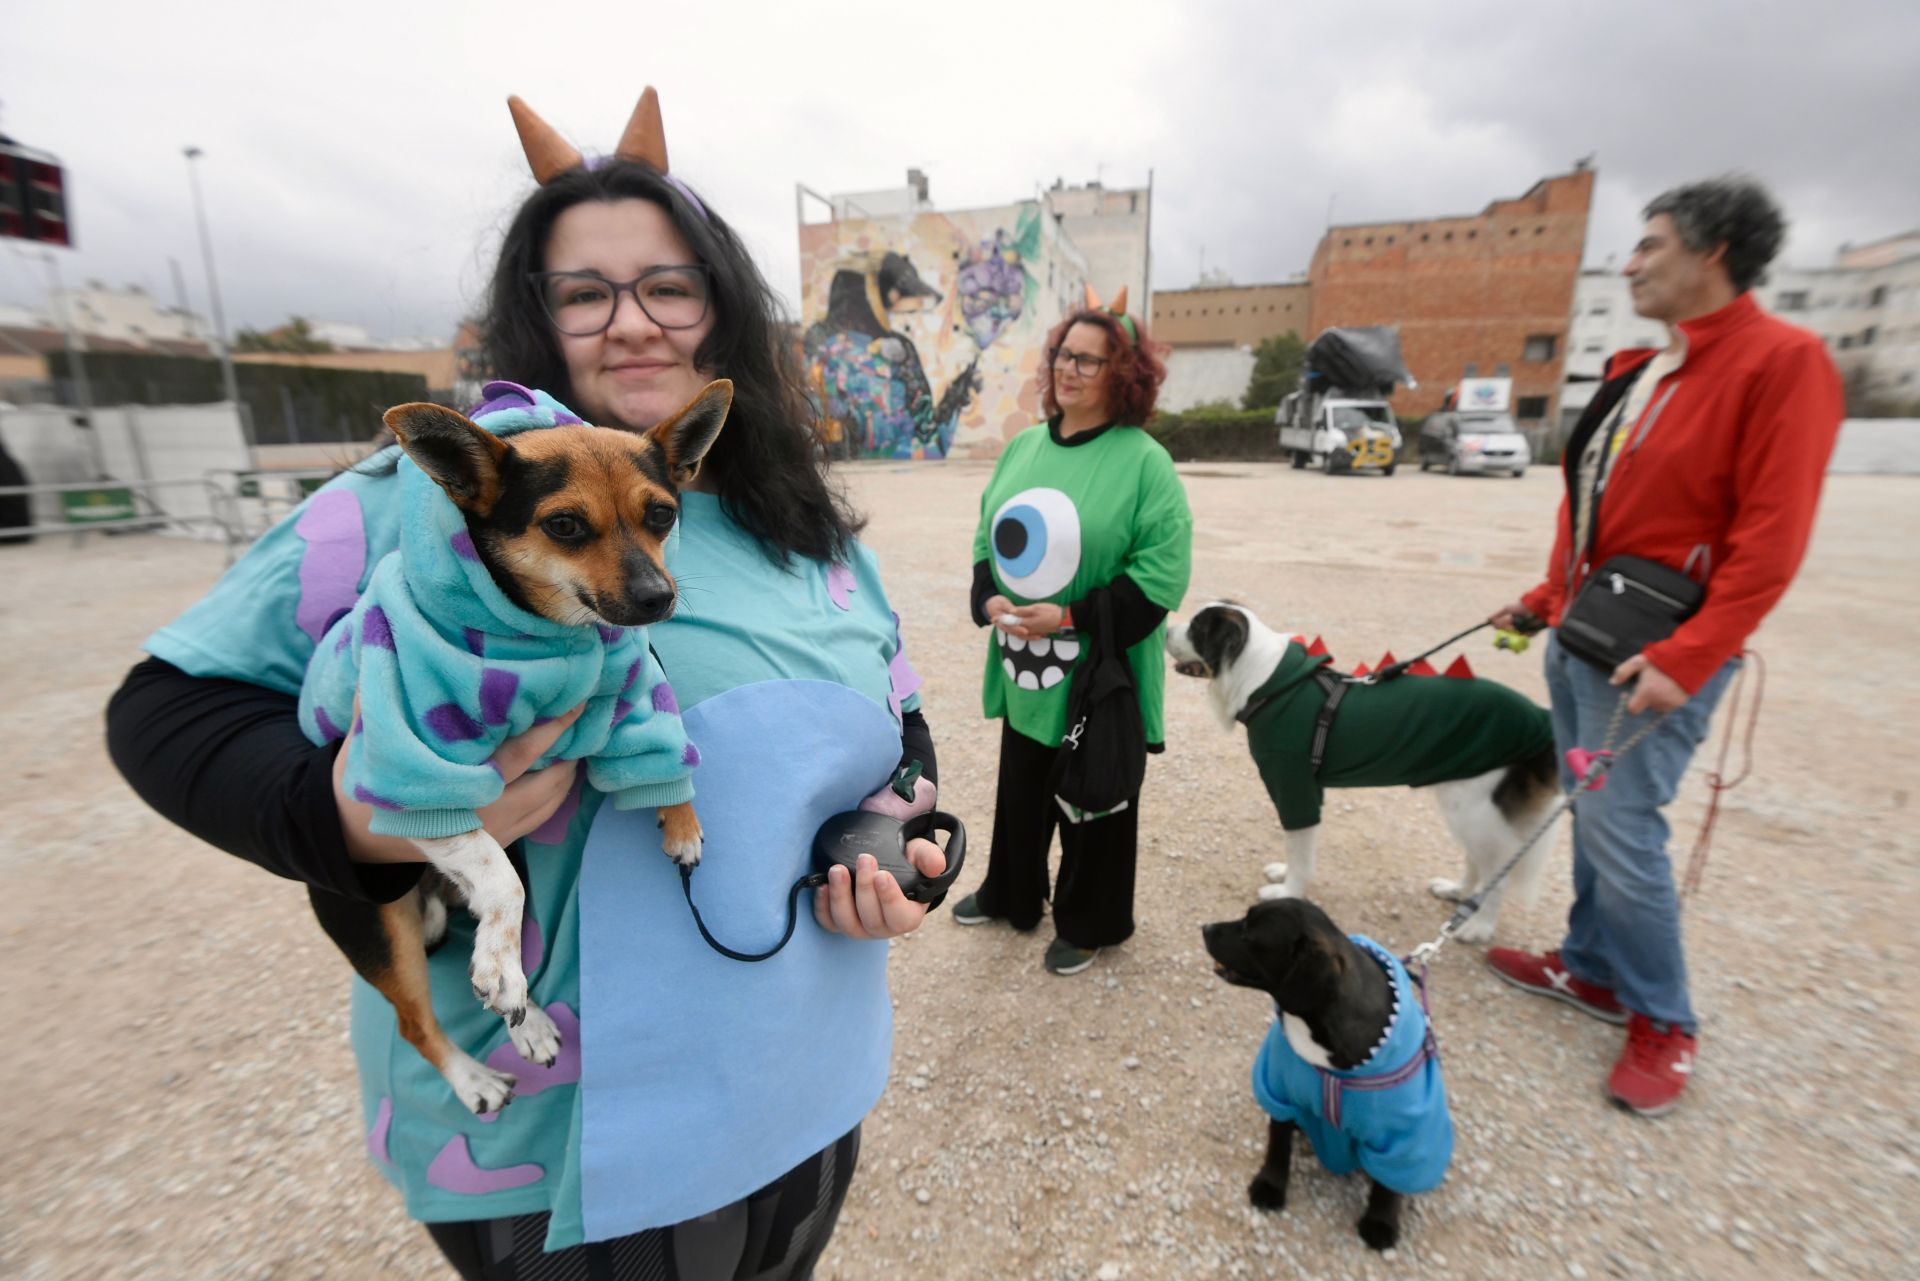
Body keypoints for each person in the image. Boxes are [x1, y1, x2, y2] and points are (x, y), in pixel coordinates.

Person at [106, 89, 947, 1279]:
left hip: (799, 1089)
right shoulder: (407, 508)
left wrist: (904, 844)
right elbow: (165, 711)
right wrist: (352, 822)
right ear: (535, 317)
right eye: (585, 293)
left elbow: (902, 728)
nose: (634, 322)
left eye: (670, 285)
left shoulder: (804, 528)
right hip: (553, 1154)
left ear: (719, 307)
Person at [1486, 177, 1843, 1117]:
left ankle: (1664, 1017)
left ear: (1713, 249)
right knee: (1592, 809)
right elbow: (1593, 506)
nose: (1630, 264)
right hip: (1584, 636)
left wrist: (1691, 657)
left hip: (1655, 657)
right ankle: (1593, 967)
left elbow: (1772, 541)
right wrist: (1545, 600)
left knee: (1623, 828)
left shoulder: (1784, 363)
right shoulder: (1646, 368)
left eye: (1649, 245)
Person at [951, 289, 1192, 976]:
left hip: (1098, 677)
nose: (1069, 368)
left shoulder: (1145, 462)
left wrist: (1070, 617)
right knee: (1021, 785)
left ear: (1125, 375)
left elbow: (1161, 574)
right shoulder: (1024, 446)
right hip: (1026, 663)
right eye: (1063, 353)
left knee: (1096, 795)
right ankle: (1011, 891)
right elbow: (987, 532)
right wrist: (988, 594)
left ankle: (1091, 922)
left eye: (1089, 359)